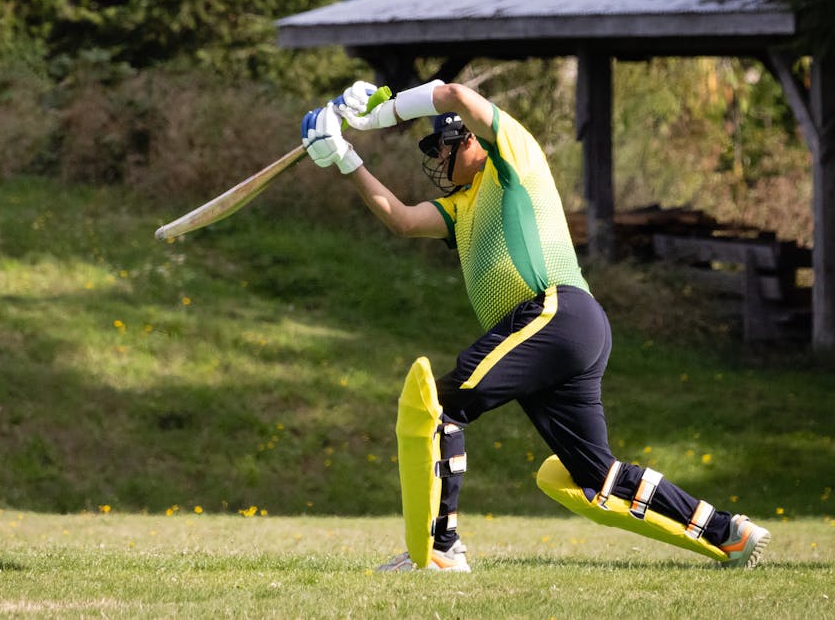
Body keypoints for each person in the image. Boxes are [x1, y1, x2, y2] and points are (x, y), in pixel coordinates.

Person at [300, 78, 771, 572]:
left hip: (553, 311)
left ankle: (442, 548)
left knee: (441, 406)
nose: (438, 161)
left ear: (470, 139)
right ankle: (729, 533)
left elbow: (456, 94)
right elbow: (400, 218)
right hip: (565, 330)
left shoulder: (513, 157)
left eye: (441, 147)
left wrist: (379, 115)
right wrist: (345, 158)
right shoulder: (461, 206)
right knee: (596, 475)